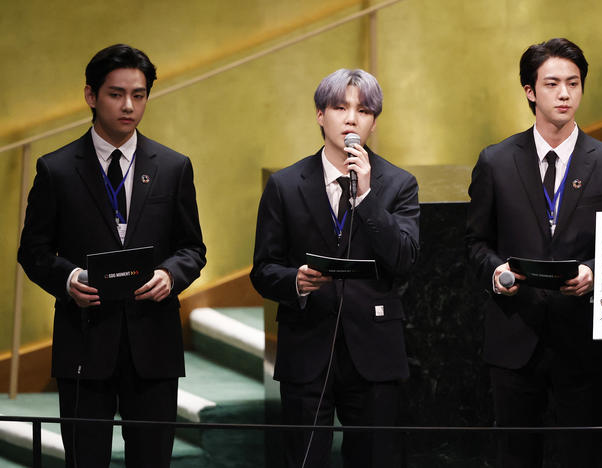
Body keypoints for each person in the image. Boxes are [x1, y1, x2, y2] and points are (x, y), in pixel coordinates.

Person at [18, 44, 206, 467]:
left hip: (153, 342)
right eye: (116, 94)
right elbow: (33, 251)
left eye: (139, 95)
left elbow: (193, 248)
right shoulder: (57, 169)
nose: (128, 106)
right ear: (91, 96)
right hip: (84, 339)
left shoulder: (174, 167)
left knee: (152, 460)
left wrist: (171, 275)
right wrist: (68, 280)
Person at [465, 38, 602, 468]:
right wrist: (496, 273)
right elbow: (474, 244)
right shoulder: (496, 161)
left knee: (582, 456)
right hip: (514, 337)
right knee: (515, 456)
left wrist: (596, 274)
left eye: (574, 83)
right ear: (530, 90)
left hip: (582, 342)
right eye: (553, 84)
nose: (565, 94)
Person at [250, 68, 419, 467]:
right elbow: (263, 270)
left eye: (363, 110)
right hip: (307, 349)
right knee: (304, 459)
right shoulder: (285, 185)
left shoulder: (398, 184)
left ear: (373, 122)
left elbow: (404, 260)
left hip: (374, 352)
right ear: (320, 115)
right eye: (340, 107)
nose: (350, 118)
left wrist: (367, 197)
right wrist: (297, 281)